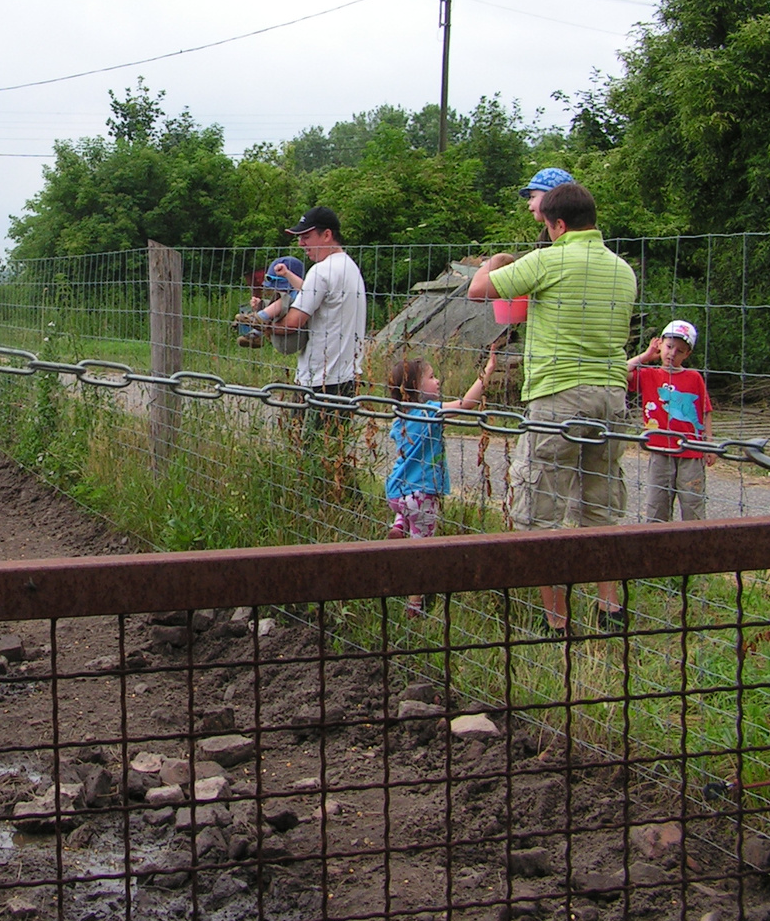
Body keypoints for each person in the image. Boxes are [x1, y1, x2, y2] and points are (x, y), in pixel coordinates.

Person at [467, 181, 637, 635]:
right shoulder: (623, 270)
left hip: (558, 394)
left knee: (540, 507)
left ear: (558, 224)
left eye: (546, 224)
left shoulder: (548, 260)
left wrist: (498, 261)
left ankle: (556, 623)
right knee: (599, 506)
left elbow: (479, 289)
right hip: (611, 397)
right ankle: (610, 610)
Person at [384, 343, 500, 616]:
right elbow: (466, 404)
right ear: (416, 386)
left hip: (397, 491)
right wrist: (487, 371)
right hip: (422, 493)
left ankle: (399, 524)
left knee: (406, 513)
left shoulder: (400, 416)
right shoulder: (430, 411)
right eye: (432, 377)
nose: (438, 381)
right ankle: (415, 604)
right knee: (423, 550)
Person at [263, 207, 366, 400]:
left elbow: (293, 323)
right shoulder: (350, 267)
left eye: (306, 237)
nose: (301, 244)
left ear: (327, 235)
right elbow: (312, 297)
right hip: (347, 377)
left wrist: (262, 325)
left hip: (318, 380)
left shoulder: (321, 271)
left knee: (303, 430)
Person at [626, 320, 713, 521]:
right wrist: (646, 357)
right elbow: (620, 371)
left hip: (691, 450)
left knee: (693, 504)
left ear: (687, 354)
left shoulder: (694, 377)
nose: (672, 354)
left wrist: (709, 444)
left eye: (680, 351)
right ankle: (656, 544)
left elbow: (706, 411)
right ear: (660, 344)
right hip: (660, 449)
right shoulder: (649, 375)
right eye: (669, 346)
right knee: (657, 505)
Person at [235, 257, 305, 347]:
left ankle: (259, 319)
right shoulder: (287, 295)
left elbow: (304, 291)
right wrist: (260, 304)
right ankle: (255, 334)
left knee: (284, 299)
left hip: (297, 333)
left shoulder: (300, 292)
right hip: (283, 329)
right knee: (270, 302)